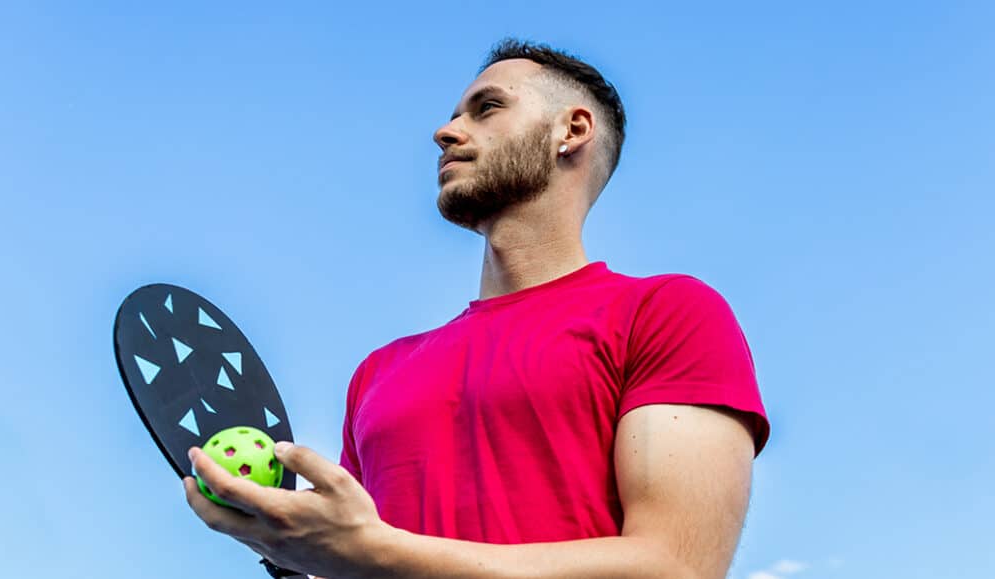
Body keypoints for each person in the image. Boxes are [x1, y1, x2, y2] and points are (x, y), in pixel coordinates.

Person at [185, 38, 770, 579]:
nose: (445, 131)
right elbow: (359, 556)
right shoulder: (377, 373)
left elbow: (672, 567)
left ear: (571, 129)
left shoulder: (667, 313)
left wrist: (371, 551)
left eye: (486, 108)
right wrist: (298, 550)